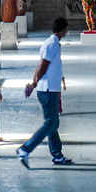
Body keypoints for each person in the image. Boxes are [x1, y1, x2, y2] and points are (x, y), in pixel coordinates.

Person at [16, 16, 73, 167]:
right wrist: (34, 83)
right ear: (63, 29)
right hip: (48, 90)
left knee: (53, 123)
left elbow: (45, 66)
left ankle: (57, 156)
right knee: (50, 123)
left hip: (51, 88)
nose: (67, 31)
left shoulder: (53, 43)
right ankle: (25, 149)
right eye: (66, 29)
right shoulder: (52, 45)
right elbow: (42, 66)